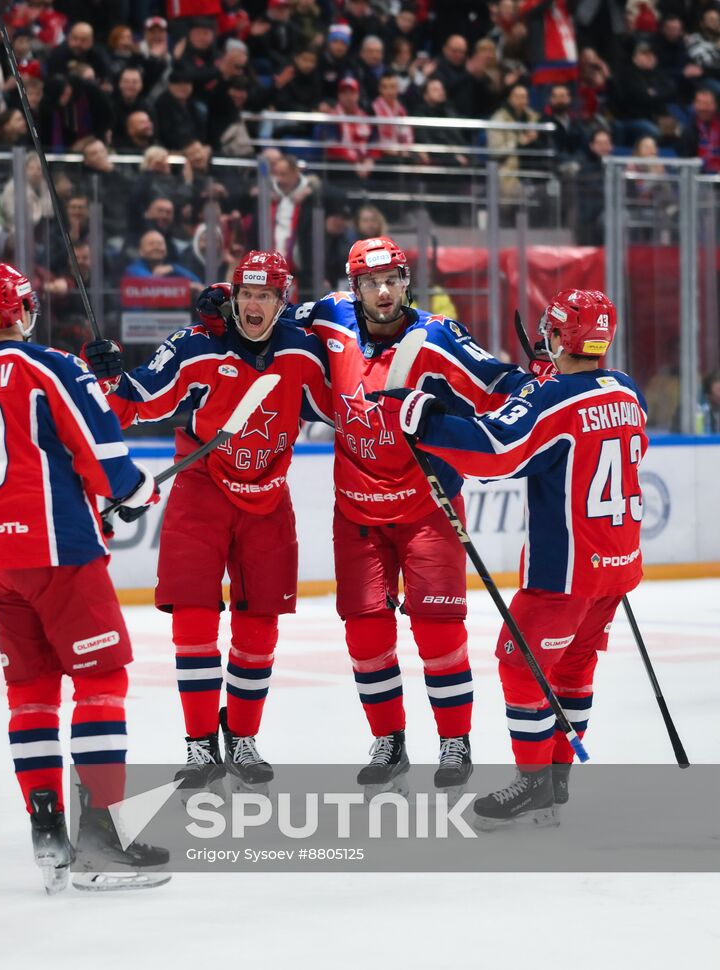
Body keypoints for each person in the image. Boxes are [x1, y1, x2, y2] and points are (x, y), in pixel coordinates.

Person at [0, 262, 168, 894]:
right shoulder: (46, 366)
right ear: (23, 310)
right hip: (55, 548)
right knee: (101, 677)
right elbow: (97, 442)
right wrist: (131, 489)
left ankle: (47, 832)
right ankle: (100, 845)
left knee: (31, 691)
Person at [373, 289, 645, 826]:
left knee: (520, 666)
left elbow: (495, 452)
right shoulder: (628, 391)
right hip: (617, 565)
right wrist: (548, 382)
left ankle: (533, 783)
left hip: (564, 573)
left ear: (562, 336)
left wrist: (425, 419)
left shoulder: (553, 401)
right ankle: (559, 778)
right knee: (573, 669)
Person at [81, 251, 331, 792]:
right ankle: (200, 745)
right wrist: (104, 373)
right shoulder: (196, 346)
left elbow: (347, 400)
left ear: (282, 302)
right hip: (201, 493)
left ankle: (241, 737)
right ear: (233, 296)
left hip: (269, 498)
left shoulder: (302, 350)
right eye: (245, 294)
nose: (253, 304)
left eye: (265, 295)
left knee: (259, 624)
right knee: (193, 621)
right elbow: (131, 402)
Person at [300, 235, 536, 793]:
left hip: (428, 508)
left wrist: (542, 382)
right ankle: (390, 740)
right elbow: (265, 319)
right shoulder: (330, 318)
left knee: (438, 630)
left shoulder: (438, 335)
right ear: (353, 286)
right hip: (357, 512)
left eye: (392, 281)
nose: (383, 293)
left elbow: (499, 382)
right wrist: (218, 312)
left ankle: (455, 739)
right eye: (370, 283)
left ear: (407, 282)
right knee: (365, 633)